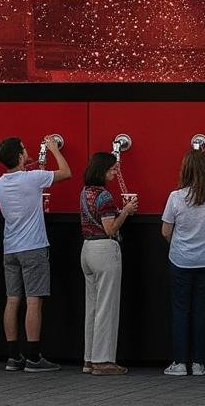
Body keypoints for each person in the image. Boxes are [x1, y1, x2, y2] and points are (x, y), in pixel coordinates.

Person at [0, 134, 70, 372]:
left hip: (10, 248)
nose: (27, 151)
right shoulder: (33, 178)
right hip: (33, 247)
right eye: (24, 149)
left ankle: (12, 356)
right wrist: (54, 149)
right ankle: (34, 357)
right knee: (34, 301)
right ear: (18, 156)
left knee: (12, 300)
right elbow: (66, 172)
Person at [161, 144, 205, 376]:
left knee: (181, 311)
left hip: (181, 260)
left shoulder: (176, 197)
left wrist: (179, 245)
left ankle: (180, 363)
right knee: (201, 311)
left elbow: (165, 231)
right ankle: (199, 363)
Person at [79, 150, 137, 375]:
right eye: (112, 169)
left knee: (92, 307)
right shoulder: (104, 196)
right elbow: (110, 228)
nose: (115, 172)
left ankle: (89, 358)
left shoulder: (85, 192)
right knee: (106, 307)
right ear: (102, 171)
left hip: (87, 249)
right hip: (104, 249)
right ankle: (103, 361)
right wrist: (126, 211)